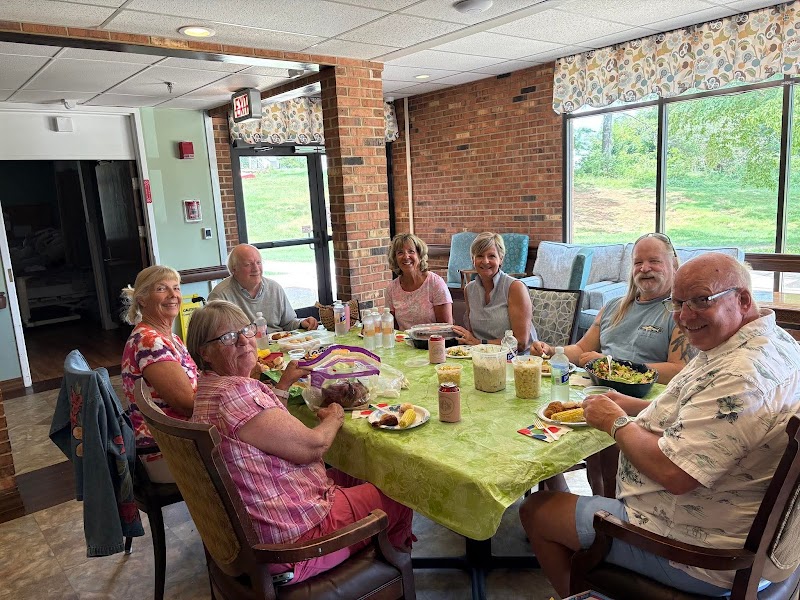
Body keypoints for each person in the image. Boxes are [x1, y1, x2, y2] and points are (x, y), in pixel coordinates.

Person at [520, 253, 800, 598]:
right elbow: (706, 415)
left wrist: (614, 421)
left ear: (742, 299)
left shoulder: (741, 377)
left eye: (701, 300)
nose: (684, 317)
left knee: (536, 510)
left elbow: (675, 474)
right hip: (743, 530)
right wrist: (634, 406)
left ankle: (581, 594)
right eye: (678, 303)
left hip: (700, 553)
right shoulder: (774, 341)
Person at [186, 300, 414, 584]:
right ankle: (387, 580)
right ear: (205, 352)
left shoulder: (209, 390)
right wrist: (335, 416)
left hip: (263, 524)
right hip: (295, 544)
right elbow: (313, 447)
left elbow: (263, 429)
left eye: (245, 330)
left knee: (363, 471)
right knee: (400, 492)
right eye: (228, 337)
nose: (244, 341)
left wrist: (282, 386)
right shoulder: (235, 395)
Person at [531, 232, 693, 384]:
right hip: (595, 390)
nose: (644, 268)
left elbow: (678, 370)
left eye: (654, 261)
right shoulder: (613, 307)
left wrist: (612, 366)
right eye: (638, 262)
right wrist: (552, 351)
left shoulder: (681, 313)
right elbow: (581, 349)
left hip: (642, 398)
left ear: (674, 264)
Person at [120, 265, 198, 483]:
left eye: (176, 288)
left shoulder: (169, 338)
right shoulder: (150, 342)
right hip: (166, 450)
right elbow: (186, 405)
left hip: (180, 436)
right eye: (162, 289)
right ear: (142, 299)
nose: (173, 295)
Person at [453, 231, 534, 353]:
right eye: (480, 256)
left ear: (501, 259)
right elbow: (472, 335)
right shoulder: (469, 290)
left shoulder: (515, 287)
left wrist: (479, 343)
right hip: (482, 356)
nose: (485, 261)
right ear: (473, 260)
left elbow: (521, 342)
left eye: (491, 256)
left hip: (517, 358)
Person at [209, 244, 318, 333]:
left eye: (258, 263)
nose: (256, 269)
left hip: (280, 344)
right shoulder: (220, 296)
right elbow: (220, 337)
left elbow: (288, 322)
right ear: (234, 269)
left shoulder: (274, 288)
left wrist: (302, 323)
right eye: (248, 264)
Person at [385, 233, 453, 330]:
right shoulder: (391, 288)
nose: (406, 256)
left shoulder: (435, 283)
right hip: (403, 339)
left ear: (419, 255)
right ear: (395, 259)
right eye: (400, 253)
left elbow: (446, 327)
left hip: (433, 339)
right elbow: (392, 328)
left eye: (411, 251)